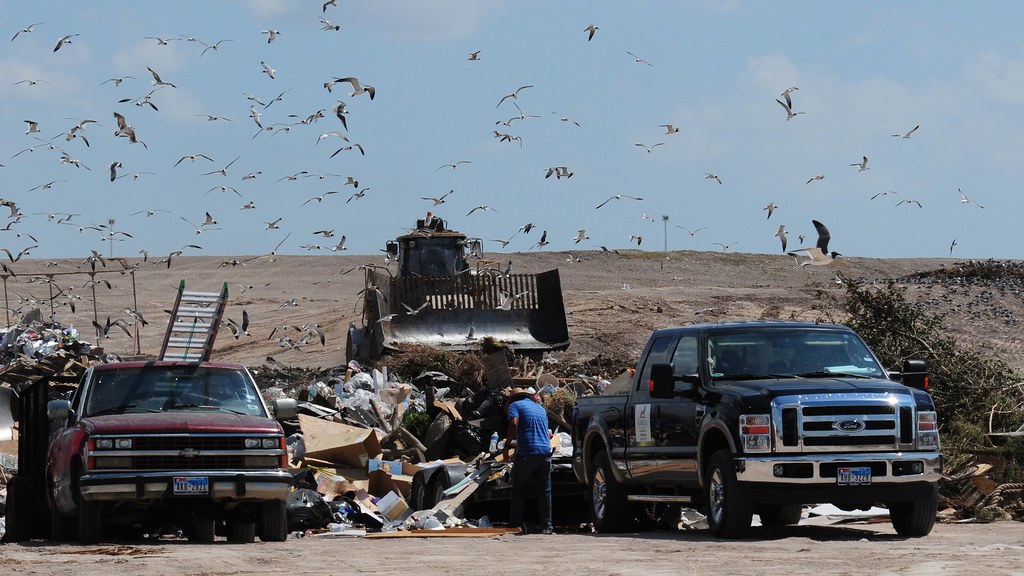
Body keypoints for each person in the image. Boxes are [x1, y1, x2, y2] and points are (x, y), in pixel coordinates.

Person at [502, 386, 553, 535]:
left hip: (526, 453)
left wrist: (506, 445)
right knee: (545, 491)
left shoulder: (515, 406)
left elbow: (514, 424)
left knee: (518, 489)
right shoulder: (540, 408)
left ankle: (516, 524)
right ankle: (547, 527)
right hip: (545, 452)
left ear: (513, 399)